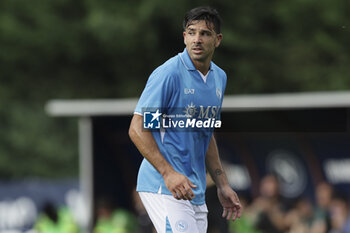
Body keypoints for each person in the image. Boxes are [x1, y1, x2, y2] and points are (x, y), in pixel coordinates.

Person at [129, 6, 242, 233]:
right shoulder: (169, 74)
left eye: (205, 33)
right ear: (184, 37)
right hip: (164, 186)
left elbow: (206, 134)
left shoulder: (219, 78)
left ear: (217, 40)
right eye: (191, 32)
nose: (197, 39)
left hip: (193, 189)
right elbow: (138, 129)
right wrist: (168, 173)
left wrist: (222, 184)